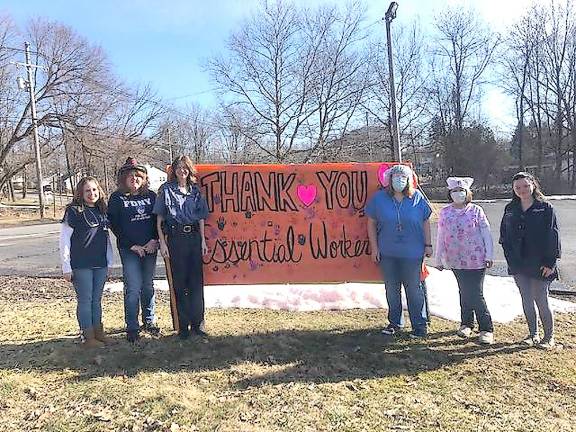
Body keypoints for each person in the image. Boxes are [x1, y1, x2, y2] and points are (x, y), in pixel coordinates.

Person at [366, 164, 433, 338]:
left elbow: (426, 220)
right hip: (387, 253)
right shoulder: (379, 199)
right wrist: (374, 247)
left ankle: (419, 325)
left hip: (413, 254)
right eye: (395, 177)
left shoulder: (417, 198)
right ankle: (395, 323)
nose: (399, 180)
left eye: (403, 177)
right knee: (392, 290)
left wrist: (428, 244)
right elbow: (371, 223)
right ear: (389, 179)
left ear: (409, 180)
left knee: (414, 290)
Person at [500, 172, 561, 349]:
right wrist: (510, 259)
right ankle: (533, 334)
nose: (522, 190)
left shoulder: (545, 208)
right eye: (518, 187)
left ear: (533, 185)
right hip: (518, 263)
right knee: (526, 298)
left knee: (541, 298)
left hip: (541, 263)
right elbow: (504, 237)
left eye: (526, 186)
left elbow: (553, 236)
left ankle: (549, 337)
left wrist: (550, 263)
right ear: (513, 189)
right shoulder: (510, 209)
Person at [153, 155, 209, 340]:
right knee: (179, 284)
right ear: (174, 171)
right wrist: (162, 242)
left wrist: (202, 241)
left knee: (195, 283)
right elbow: (159, 219)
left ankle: (198, 325)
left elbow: (201, 218)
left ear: (190, 170)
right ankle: (182, 326)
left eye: (185, 168)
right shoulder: (166, 190)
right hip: (175, 239)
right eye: (178, 168)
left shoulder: (196, 192)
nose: (182, 171)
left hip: (193, 237)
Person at [435, 177, 495, 345]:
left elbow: (486, 234)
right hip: (455, 259)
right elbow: (441, 236)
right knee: (463, 290)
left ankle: (486, 327)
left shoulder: (476, 211)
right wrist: (438, 258)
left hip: (476, 258)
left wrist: (489, 255)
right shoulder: (445, 212)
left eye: (461, 191)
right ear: (450, 193)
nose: (458, 194)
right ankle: (466, 323)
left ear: (468, 193)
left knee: (475, 292)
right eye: (454, 191)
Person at [108, 158, 160, 343]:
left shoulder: (152, 197)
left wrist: (155, 241)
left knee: (148, 286)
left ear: (144, 178)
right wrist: (132, 245)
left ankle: (149, 321)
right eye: (130, 176)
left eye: (138, 176)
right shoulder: (116, 198)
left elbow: (158, 222)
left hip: (150, 248)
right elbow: (115, 225)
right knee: (132, 287)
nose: (134, 179)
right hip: (129, 249)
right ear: (123, 179)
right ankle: (132, 326)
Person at [59, 176, 113, 348]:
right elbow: (64, 240)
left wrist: (109, 263)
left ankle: (98, 333)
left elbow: (106, 240)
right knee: (85, 300)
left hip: (100, 264)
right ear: (81, 193)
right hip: (81, 264)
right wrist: (66, 266)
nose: (92, 193)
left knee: (96, 300)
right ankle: (87, 337)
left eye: (94, 190)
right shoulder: (73, 211)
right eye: (87, 190)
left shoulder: (101, 210)